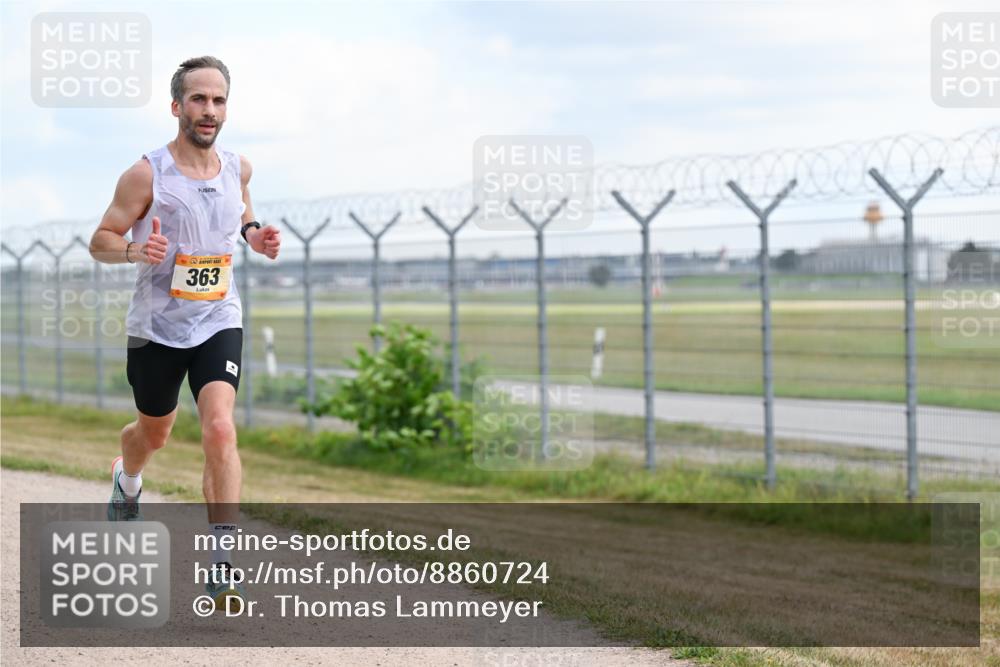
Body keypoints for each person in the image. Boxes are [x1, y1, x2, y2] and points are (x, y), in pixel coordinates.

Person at [88, 55, 280, 610]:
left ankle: (222, 565)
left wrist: (253, 235)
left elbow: (240, 213)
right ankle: (127, 479)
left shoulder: (237, 168)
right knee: (154, 434)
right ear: (177, 106)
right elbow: (101, 238)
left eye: (218, 100)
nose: (209, 110)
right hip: (157, 326)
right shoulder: (146, 173)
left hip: (219, 316)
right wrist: (130, 249)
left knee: (220, 428)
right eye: (198, 99)